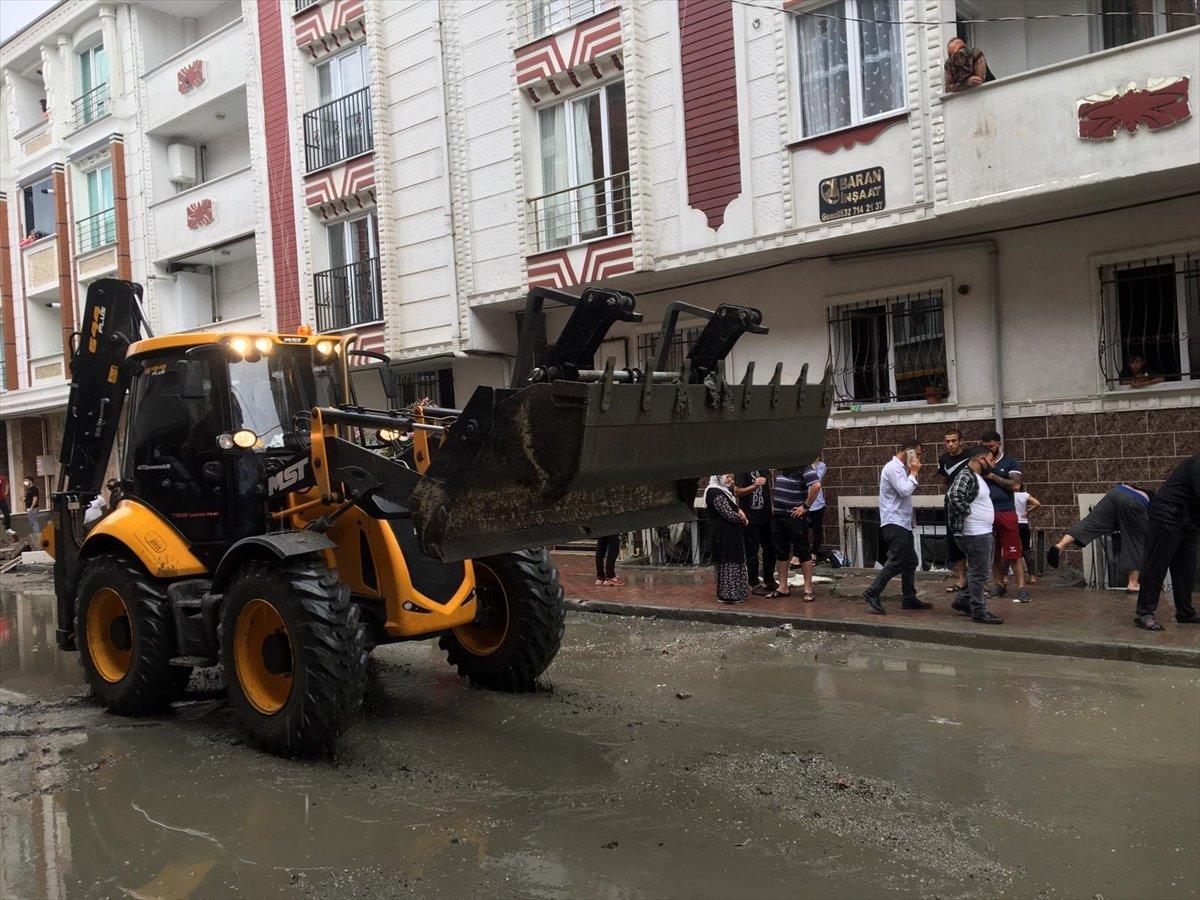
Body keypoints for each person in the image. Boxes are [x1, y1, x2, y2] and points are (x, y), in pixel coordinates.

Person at [861, 439, 931, 615]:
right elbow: (904, 490)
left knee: (911, 561)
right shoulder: (892, 468)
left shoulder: (901, 469)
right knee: (897, 560)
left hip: (903, 522)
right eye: (918, 454)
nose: (919, 459)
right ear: (909, 452)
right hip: (894, 522)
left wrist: (911, 472)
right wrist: (914, 473)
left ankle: (909, 598)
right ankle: (872, 592)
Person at [1134, 454, 1199, 631]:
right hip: (1167, 515)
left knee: (1186, 569)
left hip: (1189, 522)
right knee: (1157, 565)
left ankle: (1185, 612)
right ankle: (1144, 613)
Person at [1046, 483, 1149, 594]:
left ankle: (1060, 545)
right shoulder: (1156, 501)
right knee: (1136, 540)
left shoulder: (1137, 490)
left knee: (1091, 522)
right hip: (1136, 501)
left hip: (1116, 492)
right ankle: (1133, 583)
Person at [946, 445, 1003, 624]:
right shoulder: (966, 475)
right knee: (980, 574)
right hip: (974, 533)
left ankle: (963, 600)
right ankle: (979, 611)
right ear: (981, 460)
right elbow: (954, 495)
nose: (993, 464)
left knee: (978, 571)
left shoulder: (976, 476)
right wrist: (968, 513)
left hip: (981, 532)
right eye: (991, 459)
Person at [980, 430, 1029, 602]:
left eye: (992, 445)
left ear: (999, 443)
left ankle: (1022, 587)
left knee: (1013, 552)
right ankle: (999, 584)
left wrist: (992, 475)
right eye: (986, 447)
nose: (989, 449)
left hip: (1006, 510)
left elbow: (1016, 485)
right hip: (988, 512)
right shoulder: (981, 463)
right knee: (994, 553)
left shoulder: (1010, 461)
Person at [769, 466, 821, 601]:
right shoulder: (780, 465)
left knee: (803, 551)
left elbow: (816, 485)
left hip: (795, 515)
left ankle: (808, 589)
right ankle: (783, 586)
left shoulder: (802, 464)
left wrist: (805, 506)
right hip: (779, 515)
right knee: (781, 552)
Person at [937, 429, 972, 595]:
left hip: (969, 503)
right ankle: (962, 579)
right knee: (954, 541)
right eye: (947, 441)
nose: (950, 444)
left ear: (960, 441)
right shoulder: (943, 459)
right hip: (951, 505)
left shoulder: (971, 455)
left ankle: (978, 581)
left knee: (972, 539)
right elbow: (944, 481)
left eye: (954, 441)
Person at [705, 475, 749, 605]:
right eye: (726, 476)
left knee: (731, 562)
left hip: (728, 535)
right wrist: (742, 519)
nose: (729, 479)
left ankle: (734, 593)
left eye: (730, 476)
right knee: (728, 563)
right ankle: (729, 595)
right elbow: (728, 513)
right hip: (724, 536)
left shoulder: (723, 492)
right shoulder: (715, 493)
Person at [734, 469, 776, 595]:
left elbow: (767, 487)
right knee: (752, 551)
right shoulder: (742, 470)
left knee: (770, 548)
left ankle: (769, 579)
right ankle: (753, 583)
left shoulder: (763, 467)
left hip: (766, 515)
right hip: (750, 517)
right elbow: (737, 491)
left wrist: (771, 504)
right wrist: (754, 486)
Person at [1013, 479, 1041, 586]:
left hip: (1012, 524)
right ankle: (1032, 577)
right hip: (1023, 523)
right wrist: (1027, 512)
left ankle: (1005, 577)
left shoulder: (1007, 496)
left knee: (1009, 548)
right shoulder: (1024, 495)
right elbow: (1038, 503)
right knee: (1027, 550)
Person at [802, 455, 828, 566]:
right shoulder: (804, 467)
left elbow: (816, 480)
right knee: (804, 529)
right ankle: (805, 553)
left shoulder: (821, 466)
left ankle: (814, 553)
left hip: (817, 503)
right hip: (805, 503)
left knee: (817, 529)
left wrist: (811, 466)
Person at [0, 472, 13, 538]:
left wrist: (6, 491)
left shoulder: (1, 478)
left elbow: (7, 483)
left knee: (7, 514)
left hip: (2, 499)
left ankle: (8, 528)